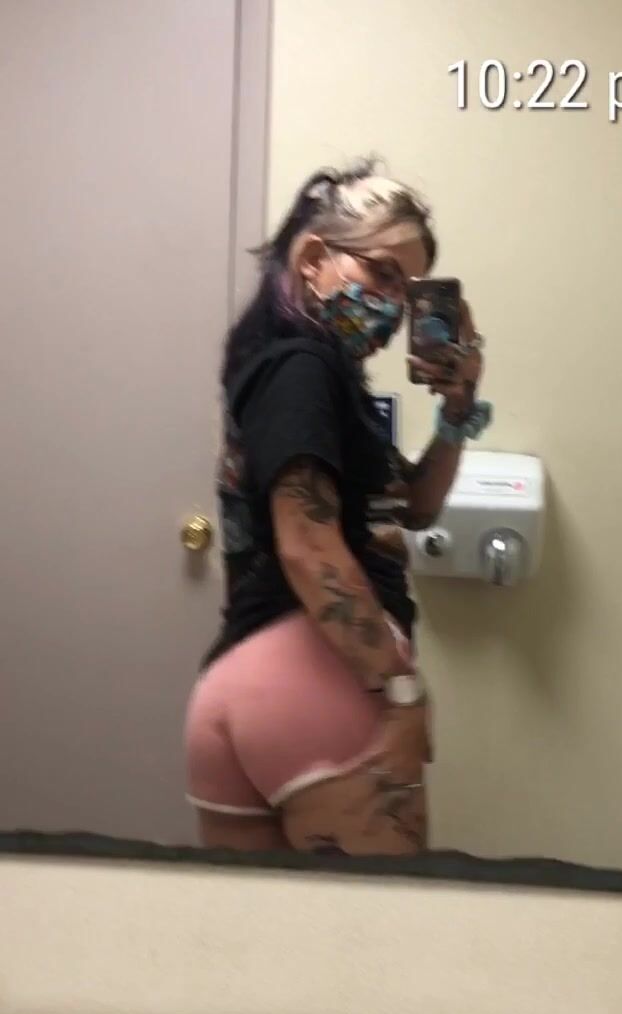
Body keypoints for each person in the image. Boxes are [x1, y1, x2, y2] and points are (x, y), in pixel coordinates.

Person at [183, 158, 490, 855]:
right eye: (382, 273)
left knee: (243, 924)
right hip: (322, 680)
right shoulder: (304, 369)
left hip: (240, 682)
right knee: (370, 924)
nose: (395, 303)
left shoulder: (298, 374)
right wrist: (402, 692)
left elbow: (414, 508)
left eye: (407, 289)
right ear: (314, 259)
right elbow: (307, 543)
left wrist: (457, 408)